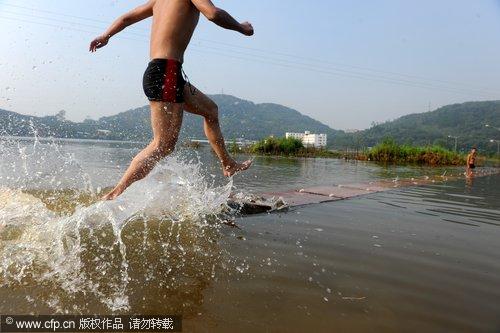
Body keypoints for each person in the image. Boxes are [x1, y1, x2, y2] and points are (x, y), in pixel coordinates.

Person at [89, 0, 253, 200]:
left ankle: (227, 163)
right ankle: (114, 194)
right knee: (163, 145)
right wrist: (241, 28)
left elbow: (126, 18)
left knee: (211, 111)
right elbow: (213, 14)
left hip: (166, 73)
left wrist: (106, 36)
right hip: (166, 73)